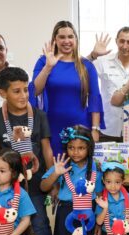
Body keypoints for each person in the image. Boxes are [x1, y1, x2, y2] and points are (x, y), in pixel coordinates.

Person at [0, 67, 55, 235]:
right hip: (7, 186)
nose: (23, 95)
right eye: (16, 91)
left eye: (26, 90)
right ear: (2, 93)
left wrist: (53, 181)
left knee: (40, 224)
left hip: (34, 183)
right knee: (10, 225)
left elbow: (46, 149)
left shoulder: (39, 115)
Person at [40, 125, 103, 235]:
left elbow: (99, 195)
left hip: (88, 213)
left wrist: (98, 221)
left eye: (81, 148)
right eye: (71, 148)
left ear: (89, 148)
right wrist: (55, 174)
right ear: (66, 148)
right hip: (65, 212)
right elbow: (43, 186)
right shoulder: (62, 164)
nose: (75, 152)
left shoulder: (96, 168)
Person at [31, 20, 104, 153]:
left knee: (78, 166)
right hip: (51, 125)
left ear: (76, 39)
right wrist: (48, 67)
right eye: (62, 37)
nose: (67, 41)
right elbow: (35, 90)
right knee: (54, 167)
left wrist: (95, 129)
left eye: (70, 37)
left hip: (80, 125)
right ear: (55, 39)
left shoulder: (86, 65)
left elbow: (94, 98)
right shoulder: (44, 61)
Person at [89, 27, 129, 142]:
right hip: (107, 128)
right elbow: (80, 71)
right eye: (122, 41)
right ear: (116, 41)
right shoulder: (103, 61)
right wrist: (93, 55)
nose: (125, 46)